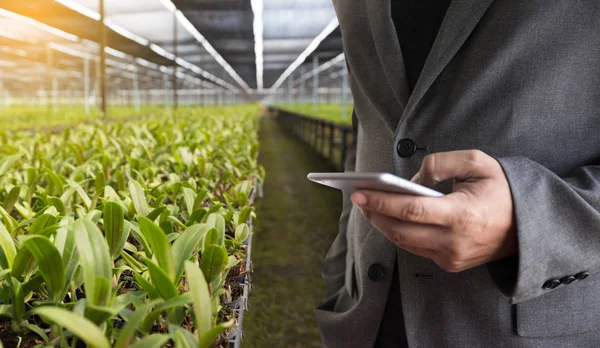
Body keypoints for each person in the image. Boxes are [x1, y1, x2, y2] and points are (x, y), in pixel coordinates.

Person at [315, 1, 600, 347]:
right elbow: (369, 125)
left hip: (518, 324)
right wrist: (339, 276)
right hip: (365, 318)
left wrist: (531, 220)